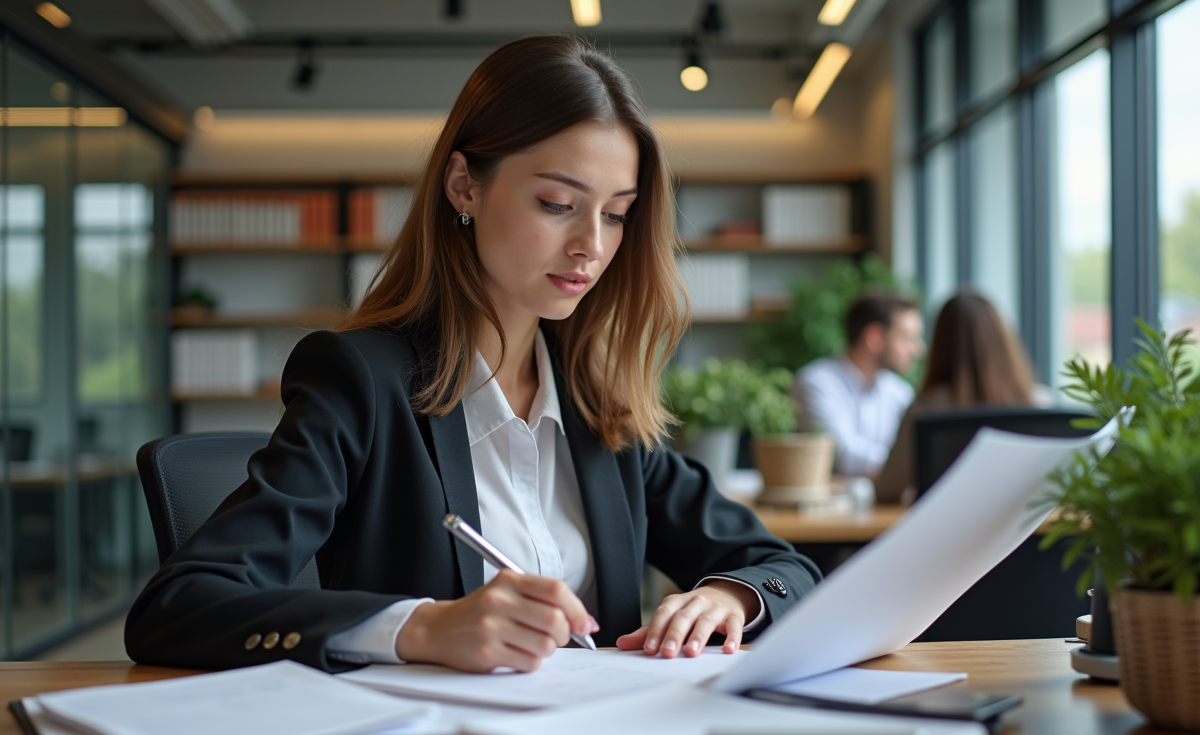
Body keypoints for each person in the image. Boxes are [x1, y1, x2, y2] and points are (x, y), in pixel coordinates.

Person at [125, 36, 819, 675]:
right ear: (464, 186)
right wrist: (419, 628)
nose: (593, 245)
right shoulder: (361, 384)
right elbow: (179, 606)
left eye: (615, 213)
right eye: (557, 203)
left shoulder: (597, 406)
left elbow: (779, 567)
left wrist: (732, 597)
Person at [873, 292, 1056, 504]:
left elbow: (887, 490)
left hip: (946, 534)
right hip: (1031, 536)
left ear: (940, 345)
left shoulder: (927, 408)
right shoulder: (1040, 404)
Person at [791, 291, 925, 477]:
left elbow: (915, 445)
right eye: (907, 338)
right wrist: (908, 461)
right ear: (874, 338)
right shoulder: (815, 384)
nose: (918, 350)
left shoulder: (897, 391)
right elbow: (840, 456)